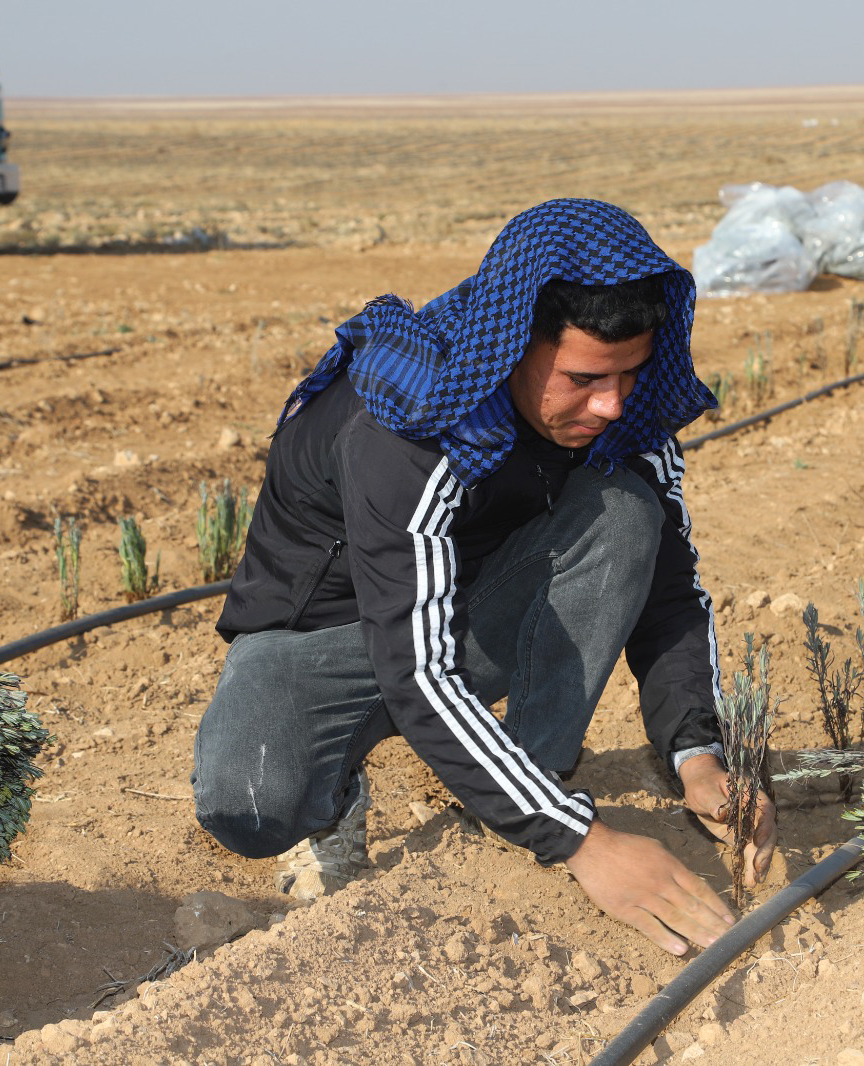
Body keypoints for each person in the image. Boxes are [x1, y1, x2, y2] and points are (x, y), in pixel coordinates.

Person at [192, 198, 775, 956]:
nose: (611, 403)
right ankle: (405, 795)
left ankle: (526, 777)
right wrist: (584, 842)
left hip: (465, 607)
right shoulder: (409, 421)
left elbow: (670, 595)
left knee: (629, 513)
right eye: (582, 377)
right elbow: (418, 666)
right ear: (512, 345)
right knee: (250, 802)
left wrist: (697, 755)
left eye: (630, 373)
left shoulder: (622, 414)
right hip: (324, 641)